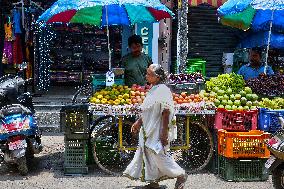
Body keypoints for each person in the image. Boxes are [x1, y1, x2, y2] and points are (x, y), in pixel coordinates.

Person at [123, 64, 188, 189]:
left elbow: (166, 111)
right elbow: (148, 110)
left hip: (157, 130)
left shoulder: (162, 90)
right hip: (148, 129)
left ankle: (180, 174)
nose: (146, 76)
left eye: (149, 74)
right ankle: (154, 182)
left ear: (157, 77)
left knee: (160, 157)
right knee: (148, 156)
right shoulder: (153, 89)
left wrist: (163, 132)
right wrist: (139, 122)